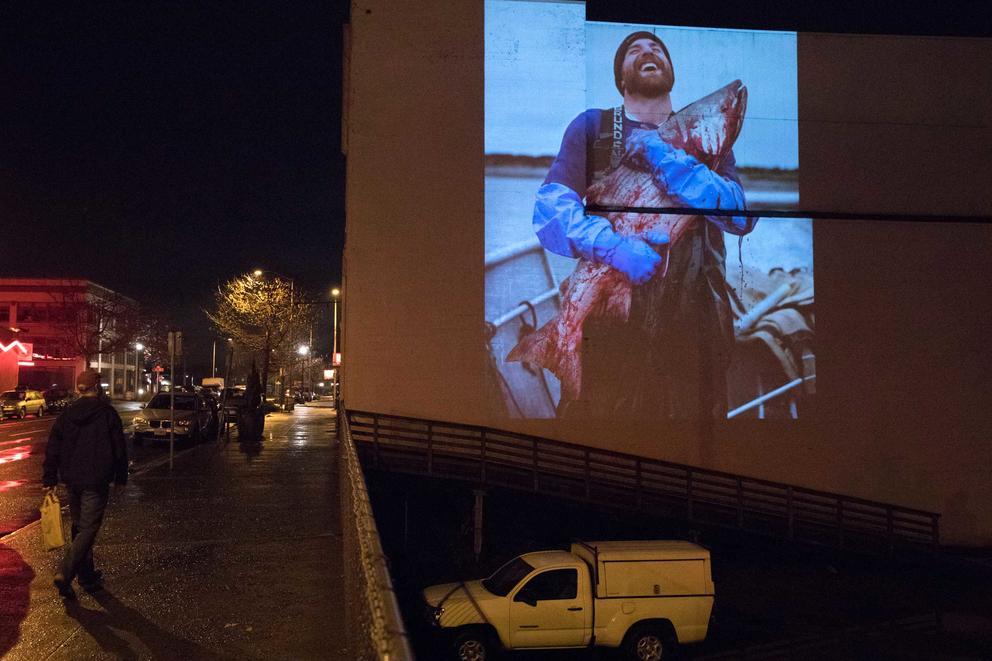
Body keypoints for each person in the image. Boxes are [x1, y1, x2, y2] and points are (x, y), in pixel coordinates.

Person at [533, 31, 756, 419]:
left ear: (671, 72)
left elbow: (739, 215)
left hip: (694, 327)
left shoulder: (704, 137)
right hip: (611, 325)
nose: (648, 52)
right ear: (621, 77)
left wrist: (667, 159)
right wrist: (613, 248)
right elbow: (550, 209)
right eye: (633, 50)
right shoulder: (593, 127)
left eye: (657, 49)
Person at [42, 369, 128, 598]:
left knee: (80, 526)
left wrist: (49, 477)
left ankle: (87, 575)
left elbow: (54, 447)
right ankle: (65, 571)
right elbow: (119, 447)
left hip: (72, 479)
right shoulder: (107, 413)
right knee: (88, 528)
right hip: (96, 479)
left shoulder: (67, 415)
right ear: (96, 387)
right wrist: (121, 477)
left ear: (79, 388)